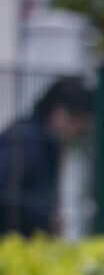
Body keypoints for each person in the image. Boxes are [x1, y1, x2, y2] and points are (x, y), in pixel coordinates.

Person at [0, 75, 91, 237]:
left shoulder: (47, 143)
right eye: (78, 124)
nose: (77, 132)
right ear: (60, 114)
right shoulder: (25, 139)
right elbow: (8, 195)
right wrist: (45, 219)